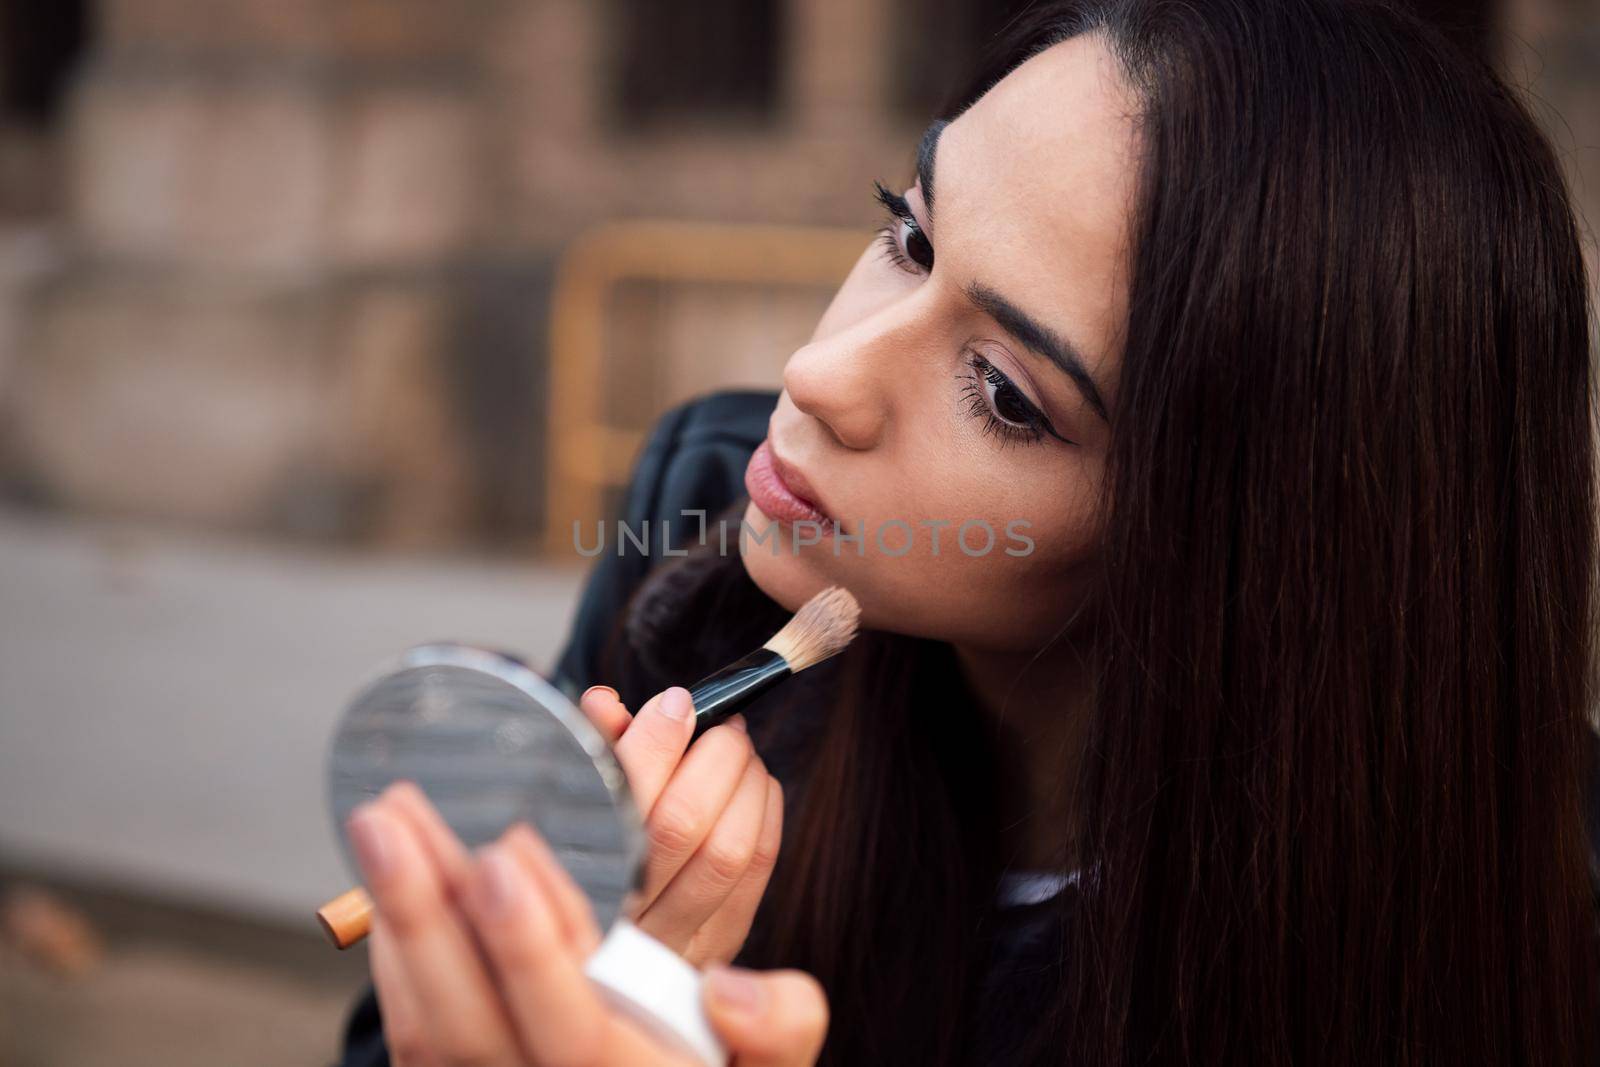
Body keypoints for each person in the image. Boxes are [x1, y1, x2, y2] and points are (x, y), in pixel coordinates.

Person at [335, 0, 1600, 1063]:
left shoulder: (1495, 930)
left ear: (1251, 546)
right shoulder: (716, 533)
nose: (821, 371)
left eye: (1003, 392)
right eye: (908, 233)